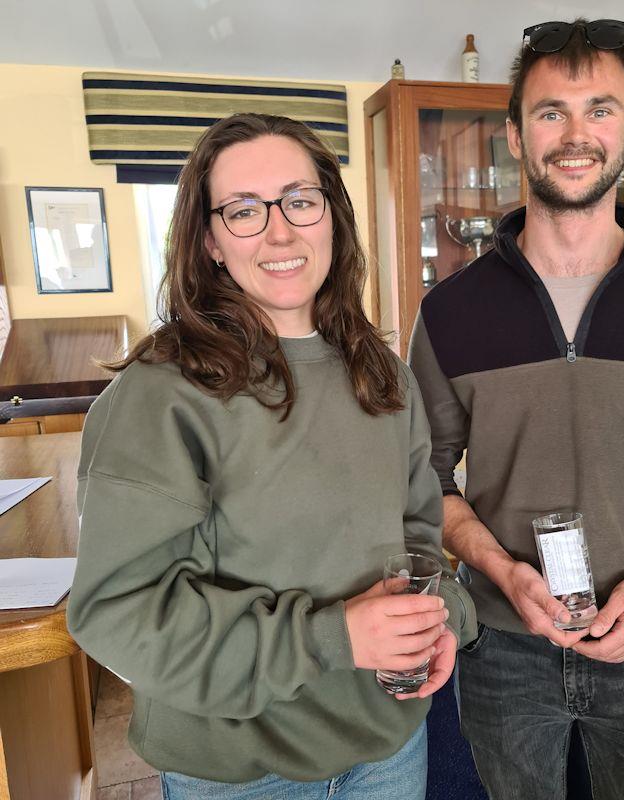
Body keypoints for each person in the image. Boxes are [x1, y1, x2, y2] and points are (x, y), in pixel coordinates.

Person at [67, 113, 476, 799]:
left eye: (300, 200)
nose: (280, 231)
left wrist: (441, 623)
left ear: (333, 218)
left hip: (388, 746)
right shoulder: (162, 395)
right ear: (211, 242)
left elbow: (417, 544)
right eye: (245, 211)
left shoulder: (384, 376)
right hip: (239, 770)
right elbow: (117, 612)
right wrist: (333, 637)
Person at [409, 19, 624, 800]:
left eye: (600, 110)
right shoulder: (450, 313)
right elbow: (423, 478)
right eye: (549, 112)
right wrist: (498, 569)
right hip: (502, 646)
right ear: (514, 134)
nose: (575, 136)